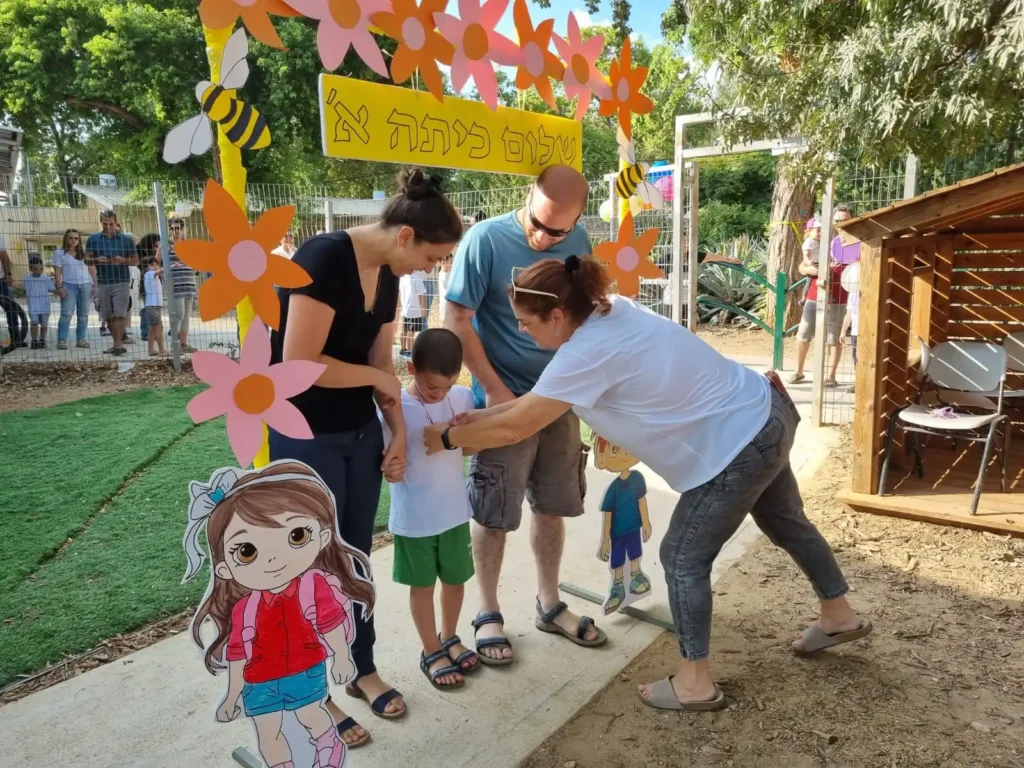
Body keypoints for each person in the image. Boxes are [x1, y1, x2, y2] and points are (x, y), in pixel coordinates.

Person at [425, 256, 870, 711]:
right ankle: (839, 615)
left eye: (525, 322)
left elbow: (516, 428)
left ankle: (694, 685)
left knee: (682, 556)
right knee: (787, 521)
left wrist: (443, 438)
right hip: (766, 410)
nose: (521, 330)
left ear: (556, 316)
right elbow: (532, 404)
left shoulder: (585, 354)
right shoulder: (612, 309)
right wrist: (478, 417)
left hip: (736, 446)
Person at [269, 168, 462, 743]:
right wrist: (379, 379)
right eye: (432, 257)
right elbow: (299, 362)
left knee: (353, 559)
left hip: (360, 432)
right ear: (405, 236)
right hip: (305, 432)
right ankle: (311, 691)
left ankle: (359, 667)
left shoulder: (389, 276)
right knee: (308, 562)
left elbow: (381, 366)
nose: (431, 268)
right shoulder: (324, 257)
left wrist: (396, 430)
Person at [444, 165, 601, 665]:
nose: (544, 237)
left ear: (576, 220)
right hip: (502, 397)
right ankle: (487, 610)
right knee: (493, 511)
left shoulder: (579, 241)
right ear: (529, 196)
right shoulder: (486, 240)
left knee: (552, 505)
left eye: (557, 231)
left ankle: (549, 603)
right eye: (538, 223)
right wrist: (494, 390)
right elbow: (456, 318)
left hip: (559, 399)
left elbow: (584, 317)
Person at [183, 462, 375, 768]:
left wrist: (342, 657)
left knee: (314, 718)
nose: (273, 559)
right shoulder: (244, 608)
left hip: (305, 671)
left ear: (323, 536)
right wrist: (232, 695)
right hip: (259, 680)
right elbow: (237, 652)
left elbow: (330, 623)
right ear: (224, 569)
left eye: (296, 535)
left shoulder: (313, 586)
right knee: (268, 734)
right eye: (247, 551)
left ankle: (329, 755)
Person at [382, 329, 479, 690]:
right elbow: (388, 461)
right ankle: (430, 649)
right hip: (415, 519)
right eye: (432, 386)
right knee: (421, 587)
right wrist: (391, 469)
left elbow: (470, 448)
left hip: (454, 514)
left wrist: (460, 434)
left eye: (448, 385)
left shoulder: (462, 398)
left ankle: (449, 636)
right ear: (411, 369)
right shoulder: (395, 408)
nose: (440, 394)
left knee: (455, 581)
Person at [791, 210, 849, 386]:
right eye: (837, 219)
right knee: (803, 333)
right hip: (814, 295)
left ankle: (830, 376)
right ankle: (798, 371)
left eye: (844, 219)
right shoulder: (820, 242)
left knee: (833, 337)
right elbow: (802, 267)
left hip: (839, 296)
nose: (840, 223)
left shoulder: (852, 243)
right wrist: (810, 270)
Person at [86, 210, 138, 356]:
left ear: (116, 222)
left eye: (111, 224)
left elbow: (136, 261)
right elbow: (86, 260)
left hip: (121, 280)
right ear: (101, 223)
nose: (108, 227)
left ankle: (118, 344)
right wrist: (97, 260)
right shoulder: (93, 239)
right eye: (105, 224)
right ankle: (117, 344)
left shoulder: (126, 240)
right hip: (103, 280)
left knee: (120, 313)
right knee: (108, 315)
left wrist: (123, 260)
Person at [53, 229, 93, 350]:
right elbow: (58, 271)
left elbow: (92, 269)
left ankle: (81, 339)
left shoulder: (84, 252)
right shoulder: (59, 253)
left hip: (85, 285)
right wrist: (59, 287)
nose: (73, 241)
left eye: (76, 238)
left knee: (83, 315)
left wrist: (96, 285)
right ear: (66, 239)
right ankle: (62, 340)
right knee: (66, 314)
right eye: (70, 238)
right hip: (68, 285)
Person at [166, 216, 198, 353]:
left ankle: (184, 343)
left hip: (188, 283)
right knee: (179, 314)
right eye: (173, 228)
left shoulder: (189, 245)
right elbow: (156, 263)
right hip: (175, 284)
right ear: (169, 230)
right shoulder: (166, 245)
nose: (176, 231)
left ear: (183, 229)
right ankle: (174, 344)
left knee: (186, 316)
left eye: (178, 228)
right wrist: (170, 268)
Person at [23, 256, 56, 349]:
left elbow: (53, 289)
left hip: (44, 305)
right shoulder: (26, 278)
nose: (39, 271)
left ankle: (42, 339)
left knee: (44, 323)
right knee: (34, 322)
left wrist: (60, 291)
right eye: (35, 269)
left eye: (41, 269)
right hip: (33, 305)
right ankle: (34, 341)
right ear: (30, 268)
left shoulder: (46, 278)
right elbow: (24, 288)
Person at [136, 234, 161, 343]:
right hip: (144, 281)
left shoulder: (155, 256)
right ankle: (146, 332)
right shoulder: (140, 253)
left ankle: (152, 333)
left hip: (155, 286)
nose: (157, 249)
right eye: (155, 246)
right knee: (145, 308)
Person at [143, 253, 169, 358]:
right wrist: (170, 266)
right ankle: (161, 350)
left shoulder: (157, 278)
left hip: (156, 306)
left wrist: (162, 275)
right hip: (152, 305)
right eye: (151, 265)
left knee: (154, 328)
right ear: (146, 268)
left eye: (156, 264)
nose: (154, 267)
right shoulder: (148, 274)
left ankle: (151, 349)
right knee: (158, 328)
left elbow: (164, 287)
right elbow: (160, 271)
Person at [398, 269, 427, 358]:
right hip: (415, 309)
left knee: (404, 330)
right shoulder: (417, 279)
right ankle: (410, 351)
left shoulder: (402, 278)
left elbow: (400, 293)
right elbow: (421, 295)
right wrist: (423, 309)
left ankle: (403, 349)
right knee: (411, 330)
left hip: (405, 308)